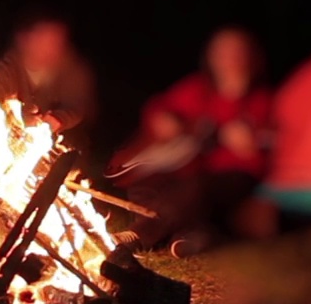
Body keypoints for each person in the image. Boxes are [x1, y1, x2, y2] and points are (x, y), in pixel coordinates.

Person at [107, 26, 273, 258]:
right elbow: (160, 109)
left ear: (253, 58)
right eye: (223, 52)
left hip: (234, 178)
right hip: (188, 173)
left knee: (196, 188)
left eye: (238, 52)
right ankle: (194, 236)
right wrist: (166, 121)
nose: (230, 59)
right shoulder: (198, 89)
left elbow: (272, 144)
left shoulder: (262, 100)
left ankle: (140, 235)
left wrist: (250, 142)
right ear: (211, 57)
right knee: (147, 180)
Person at [0, 6, 97, 152]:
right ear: (25, 39)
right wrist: (19, 120)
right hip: (9, 146)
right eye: (44, 40)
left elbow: (78, 103)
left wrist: (59, 119)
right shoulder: (8, 67)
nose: (51, 49)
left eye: (57, 43)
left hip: (52, 147)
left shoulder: (68, 69)